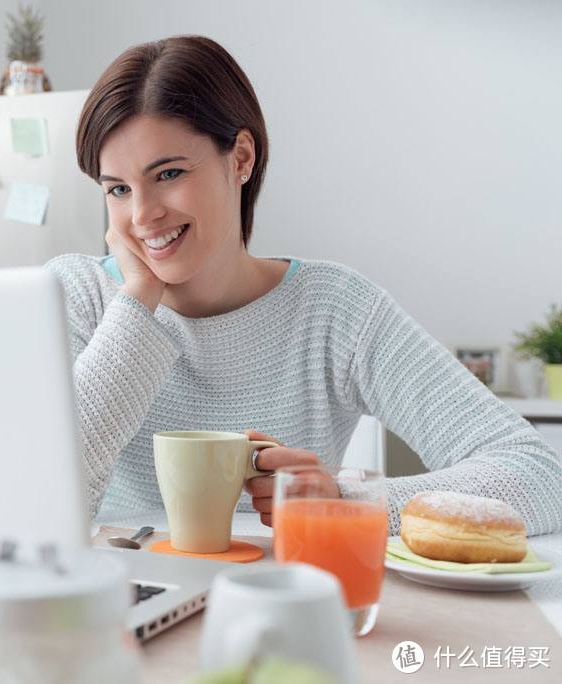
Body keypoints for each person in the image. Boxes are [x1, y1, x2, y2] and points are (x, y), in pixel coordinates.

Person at [45, 35, 562, 535]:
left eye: (169, 174)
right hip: (123, 609)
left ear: (241, 158)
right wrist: (136, 302)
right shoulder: (75, 296)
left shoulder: (334, 308)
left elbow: (538, 475)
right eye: (117, 188)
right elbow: (39, 497)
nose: (142, 215)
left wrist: (348, 502)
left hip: (288, 603)